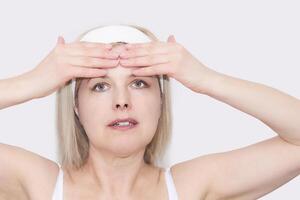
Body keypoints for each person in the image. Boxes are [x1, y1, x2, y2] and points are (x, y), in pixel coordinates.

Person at [0, 24, 300, 200]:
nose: (121, 101)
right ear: (76, 106)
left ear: (161, 102)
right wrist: (33, 82)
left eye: (139, 83)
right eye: (100, 86)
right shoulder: (40, 184)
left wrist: (206, 79)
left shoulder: (190, 187)